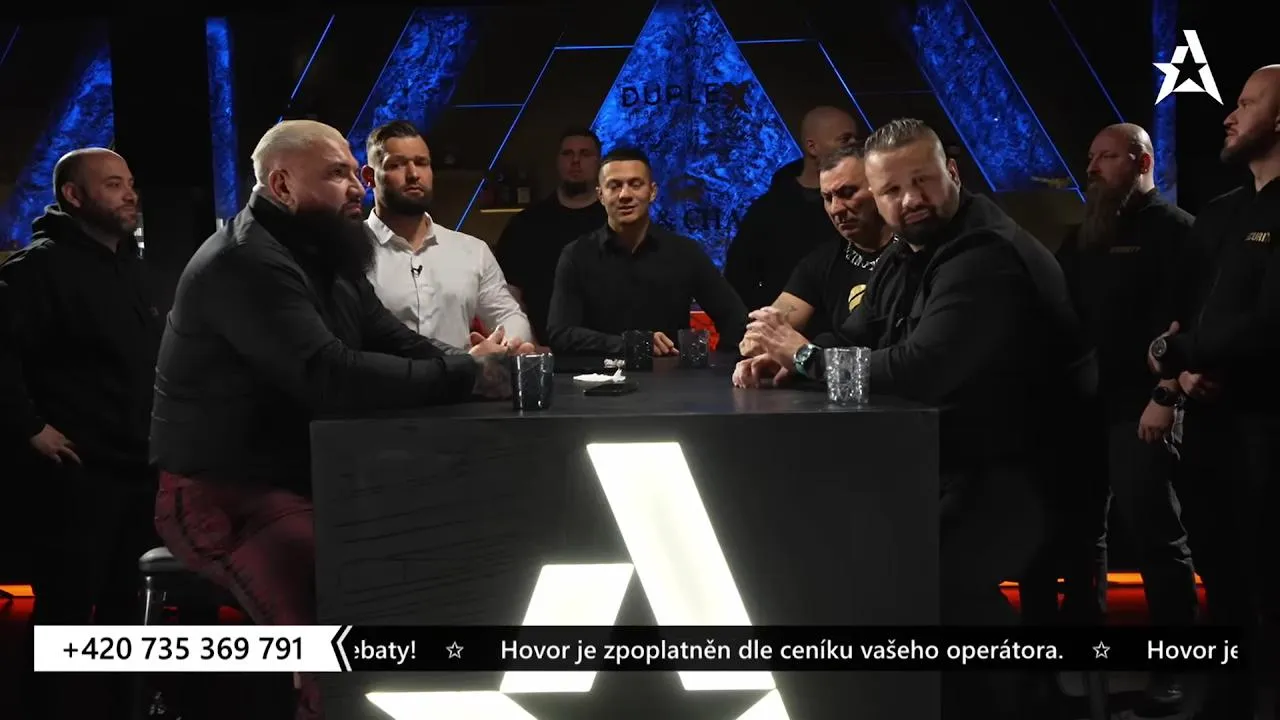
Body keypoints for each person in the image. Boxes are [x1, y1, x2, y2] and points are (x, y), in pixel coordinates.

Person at [149, 120, 524, 720]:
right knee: (341, 623)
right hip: (225, 493)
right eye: (337, 173)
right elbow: (331, 375)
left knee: (419, 569)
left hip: (314, 478)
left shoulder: (324, 249)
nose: (358, 185)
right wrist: (466, 374)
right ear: (282, 185)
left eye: (354, 171)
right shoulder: (245, 261)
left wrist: (471, 368)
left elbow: (393, 339)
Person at [735, 118, 1096, 719]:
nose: (911, 200)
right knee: (868, 557)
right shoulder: (908, 252)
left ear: (952, 172)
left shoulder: (984, 255)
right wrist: (790, 364)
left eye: (922, 181)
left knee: (923, 578)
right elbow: (859, 335)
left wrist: (803, 357)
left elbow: (918, 369)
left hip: (1028, 475)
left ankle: (1021, 705)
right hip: (958, 462)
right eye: (892, 190)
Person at [1038, 122, 1197, 712]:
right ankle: (1087, 659)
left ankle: (1174, 667)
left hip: (1142, 408)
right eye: (1090, 157)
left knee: (1156, 535)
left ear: (1141, 160)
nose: (1092, 168)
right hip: (1082, 409)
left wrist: (1166, 395)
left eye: (1105, 157)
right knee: (1083, 537)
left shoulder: (1178, 232)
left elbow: (1189, 326)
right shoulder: (1085, 236)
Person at [0, 147, 161, 720]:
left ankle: (125, 708)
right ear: (74, 195)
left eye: (130, 182)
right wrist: (30, 428)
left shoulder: (132, 264)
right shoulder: (35, 269)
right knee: (64, 616)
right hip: (74, 478)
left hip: (135, 470)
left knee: (126, 614)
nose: (130, 193)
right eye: (114, 184)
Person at [1146, 64, 1280, 720]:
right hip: (1209, 429)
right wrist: (1177, 373)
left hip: (1267, 431)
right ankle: (1228, 698)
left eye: (1247, 103)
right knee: (1220, 574)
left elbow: (1269, 324)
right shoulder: (1221, 214)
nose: (1229, 114)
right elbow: (1178, 320)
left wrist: (1182, 355)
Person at [545, 146, 748, 356]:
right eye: (614, 186)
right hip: (599, 374)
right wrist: (630, 344)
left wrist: (720, 365)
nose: (625, 195)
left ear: (652, 192)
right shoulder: (577, 255)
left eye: (635, 184)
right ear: (600, 195)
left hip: (672, 374)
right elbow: (560, 333)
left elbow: (736, 318)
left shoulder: (685, 253)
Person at [362, 120, 532, 350]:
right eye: (397, 165)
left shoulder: (472, 251)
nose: (413, 174)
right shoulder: (349, 250)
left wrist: (506, 344)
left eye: (421, 163)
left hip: (463, 373)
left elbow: (508, 315)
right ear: (369, 176)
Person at [745, 143, 895, 347]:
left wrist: (803, 354)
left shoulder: (912, 254)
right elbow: (762, 336)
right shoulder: (823, 260)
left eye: (847, 192)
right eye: (828, 198)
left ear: (880, 188)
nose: (836, 209)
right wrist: (761, 347)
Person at [724, 106, 861, 311]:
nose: (854, 146)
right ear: (812, 147)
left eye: (855, 139)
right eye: (845, 139)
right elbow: (738, 278)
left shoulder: (865, 204)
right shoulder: (767, 211)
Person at [495, 127, 608, 343]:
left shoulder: (614, 222)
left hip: (608, 349)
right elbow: (508, 295)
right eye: (567, 153)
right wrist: (528, 342)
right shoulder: (526, 224)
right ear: (558, 161)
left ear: (599, 163)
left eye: (585, 154)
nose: (575, 161)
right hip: (542, 348)